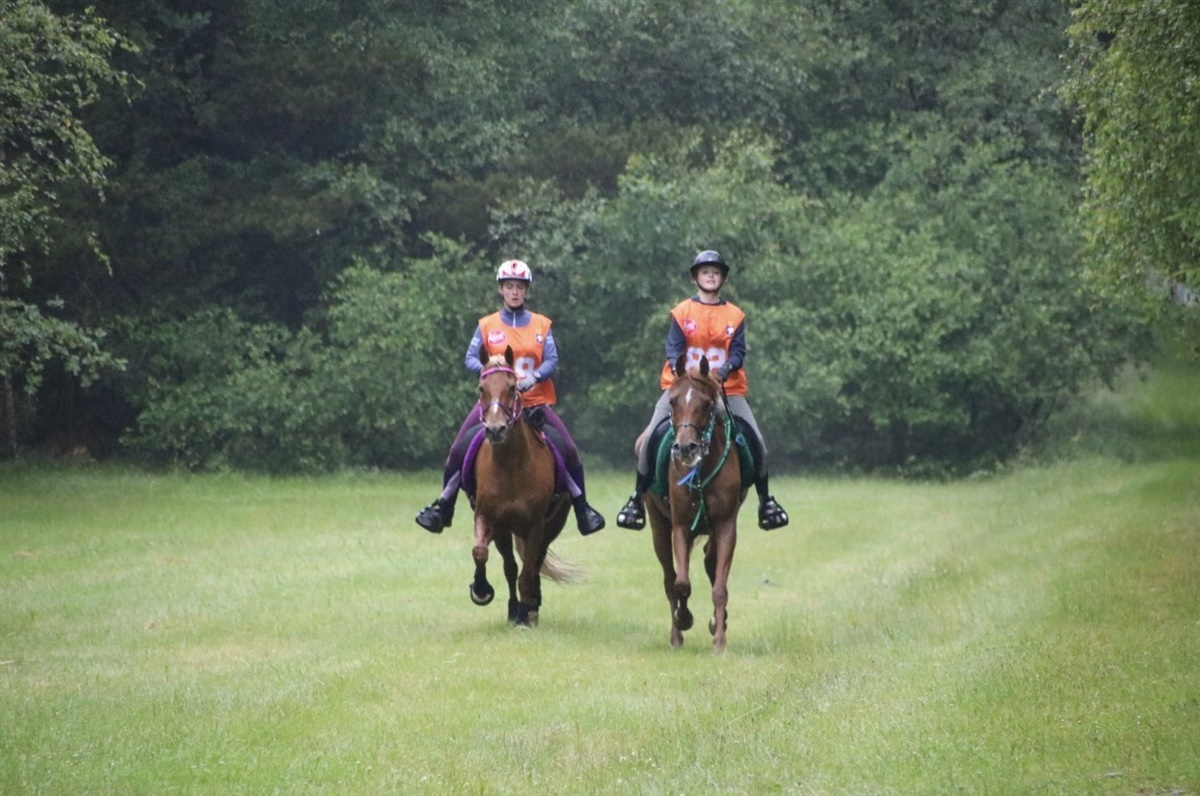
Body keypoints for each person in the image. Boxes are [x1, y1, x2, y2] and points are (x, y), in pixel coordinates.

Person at [416, 258, 606, 536]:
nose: (514, 292)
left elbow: (551, 359)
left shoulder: (541, 324)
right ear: (501, 290)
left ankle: (582, 509)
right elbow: (470, 358)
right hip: (496, 403)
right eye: (509, 287)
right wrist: (490, 371)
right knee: (458, 448)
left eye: (519, 287)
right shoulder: (487, 325)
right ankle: (443, 507)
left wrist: (534, 377)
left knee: (569, 449)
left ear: (526, 291)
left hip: (533, 401)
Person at [615, 249, 789, 531]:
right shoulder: (681, 312)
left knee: (757, 442)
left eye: (716, 272)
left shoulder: (735, 315)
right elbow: (674, 349)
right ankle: (636, 499)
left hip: (726, 389)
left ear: (723, 278)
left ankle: (766, 502)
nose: (710, 276)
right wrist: (681, 373)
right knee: (647, 441)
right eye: (705, 272)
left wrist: (724, 370)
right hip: (684, 389)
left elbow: (738, 352)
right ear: (695, 278)